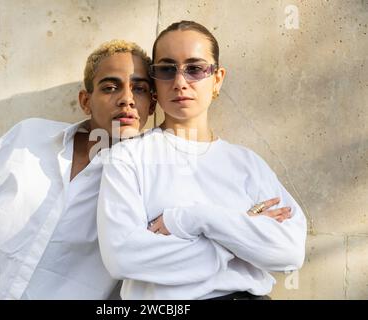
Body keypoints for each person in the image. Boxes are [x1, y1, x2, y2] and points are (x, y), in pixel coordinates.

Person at [0, 39, 155, 299]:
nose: (127, 99)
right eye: (110, 87)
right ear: (86, 101)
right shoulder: (29, 135)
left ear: (152, 106)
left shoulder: (145, 180)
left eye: (140, 89)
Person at [97, 21, 307, 300]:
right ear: (155, 82)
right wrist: (237, 240)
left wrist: (194, 219)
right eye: (167, 69)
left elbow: (289, 251)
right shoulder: (127, 158)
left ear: (217, 78)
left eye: (195, 69)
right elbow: (123, 256)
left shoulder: (247, 163)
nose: (180, 82)